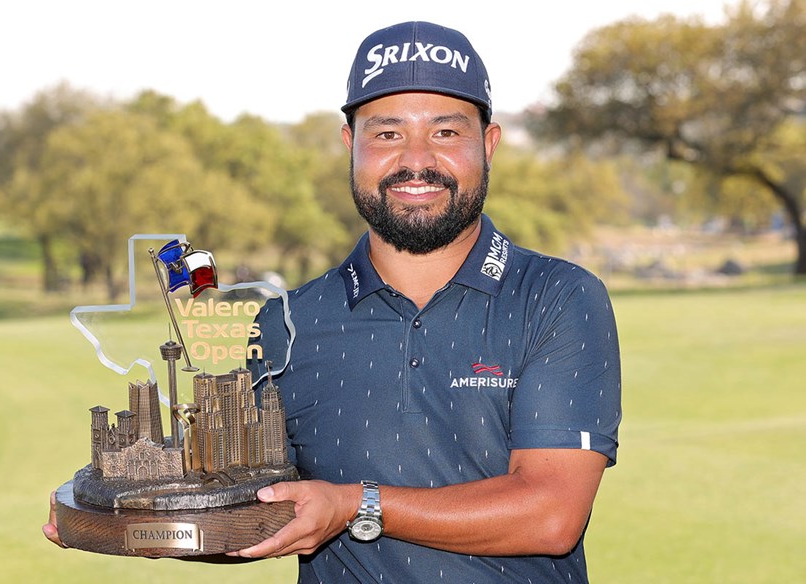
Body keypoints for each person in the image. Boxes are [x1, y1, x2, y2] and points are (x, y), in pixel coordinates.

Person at [45, 21, 621, 584]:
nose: (415, 160)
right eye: (387, 133)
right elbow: (270, 512)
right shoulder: (286, 323)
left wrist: (353, 505)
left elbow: (550, 515)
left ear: (488, 144)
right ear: (351, 144)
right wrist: (139, 519)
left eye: (446, 133)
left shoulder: (558, 297)